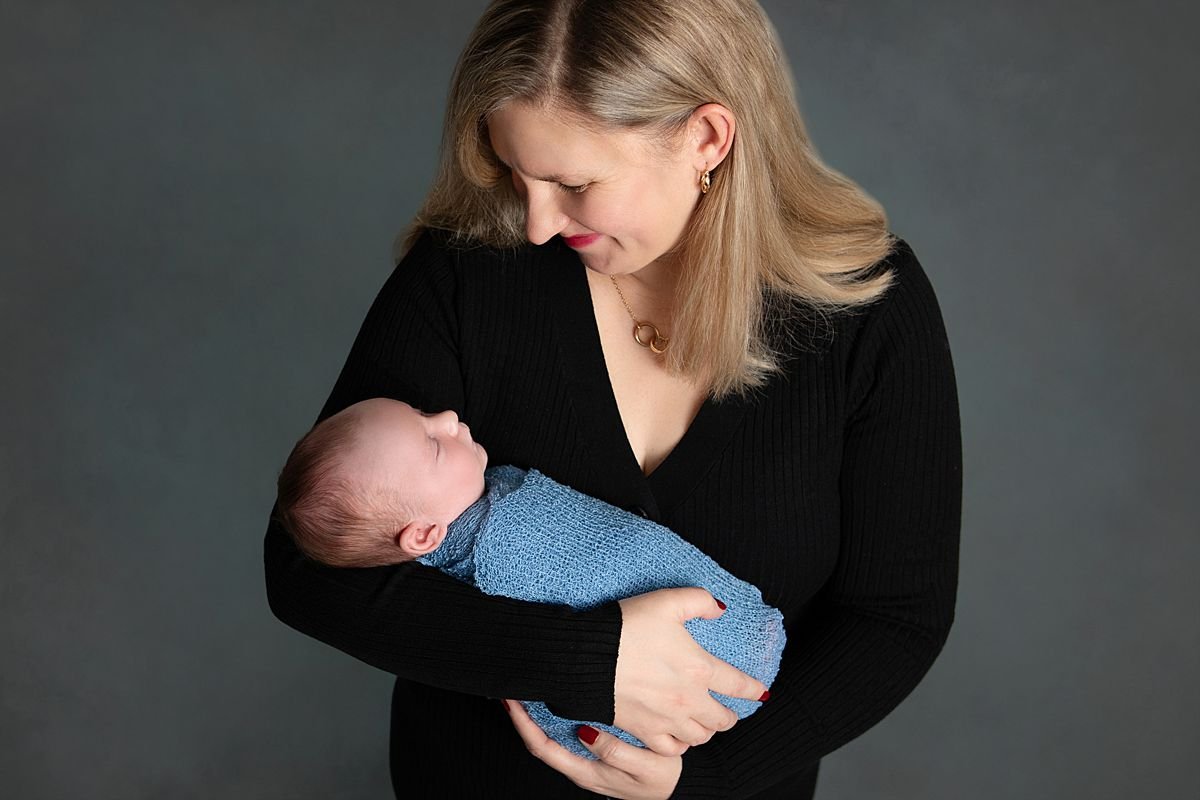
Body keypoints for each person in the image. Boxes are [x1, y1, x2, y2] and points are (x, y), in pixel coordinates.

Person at [264, 0, 961, 797]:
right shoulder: (471, 274)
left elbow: (896, 618)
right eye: (513, 175)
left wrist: (697, 777)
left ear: (707, 139)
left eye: (572, 183)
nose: (535, 224)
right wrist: (592, 661)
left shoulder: (870, 309)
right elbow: (306, 567)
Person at [272, 396, 785, 760]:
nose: (449, 417)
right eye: (432, 443)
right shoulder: (499, 556)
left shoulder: (482, 496)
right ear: (424, 536)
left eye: (426, 414)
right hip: (714, 664)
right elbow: (594, 569)